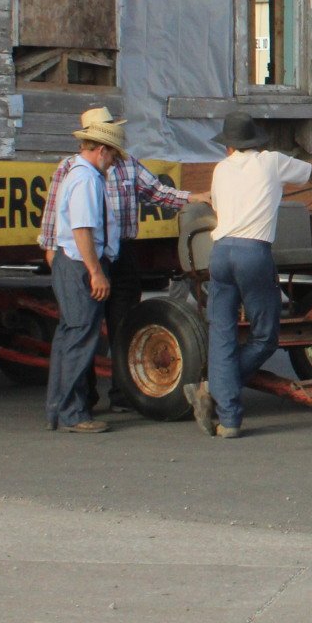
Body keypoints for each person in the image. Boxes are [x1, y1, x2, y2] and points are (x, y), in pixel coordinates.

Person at [37, 107, 202, 413]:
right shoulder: (73, 171)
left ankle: (122, 392)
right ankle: (79, 400)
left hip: (120, 251)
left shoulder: (124, 165)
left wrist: (191, 198)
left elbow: (156, 192)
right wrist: (53, 249)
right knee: (82, 327)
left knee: (122, 323)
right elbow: (61, 217)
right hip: (88, 256)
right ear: (101, 146)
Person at [186, 112, 312, 438]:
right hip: (253, 253)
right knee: (265, 336)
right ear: (255, 141)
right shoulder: (271, 162)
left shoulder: (221, 169)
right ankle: (214, 392)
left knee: (222, 334)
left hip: (221, 253)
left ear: (229, 147)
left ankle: (229, 417)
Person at [45, 114, 126, 433]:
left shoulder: (79, 175)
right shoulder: (86, 179)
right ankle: (72, 413)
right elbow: (83, 230)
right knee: (79, 339)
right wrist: (96, 272)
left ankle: (59, 408)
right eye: (113, 156)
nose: (113, 163)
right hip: (80, 265)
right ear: (103, 150)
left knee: (69, 337)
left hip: (71, 263)